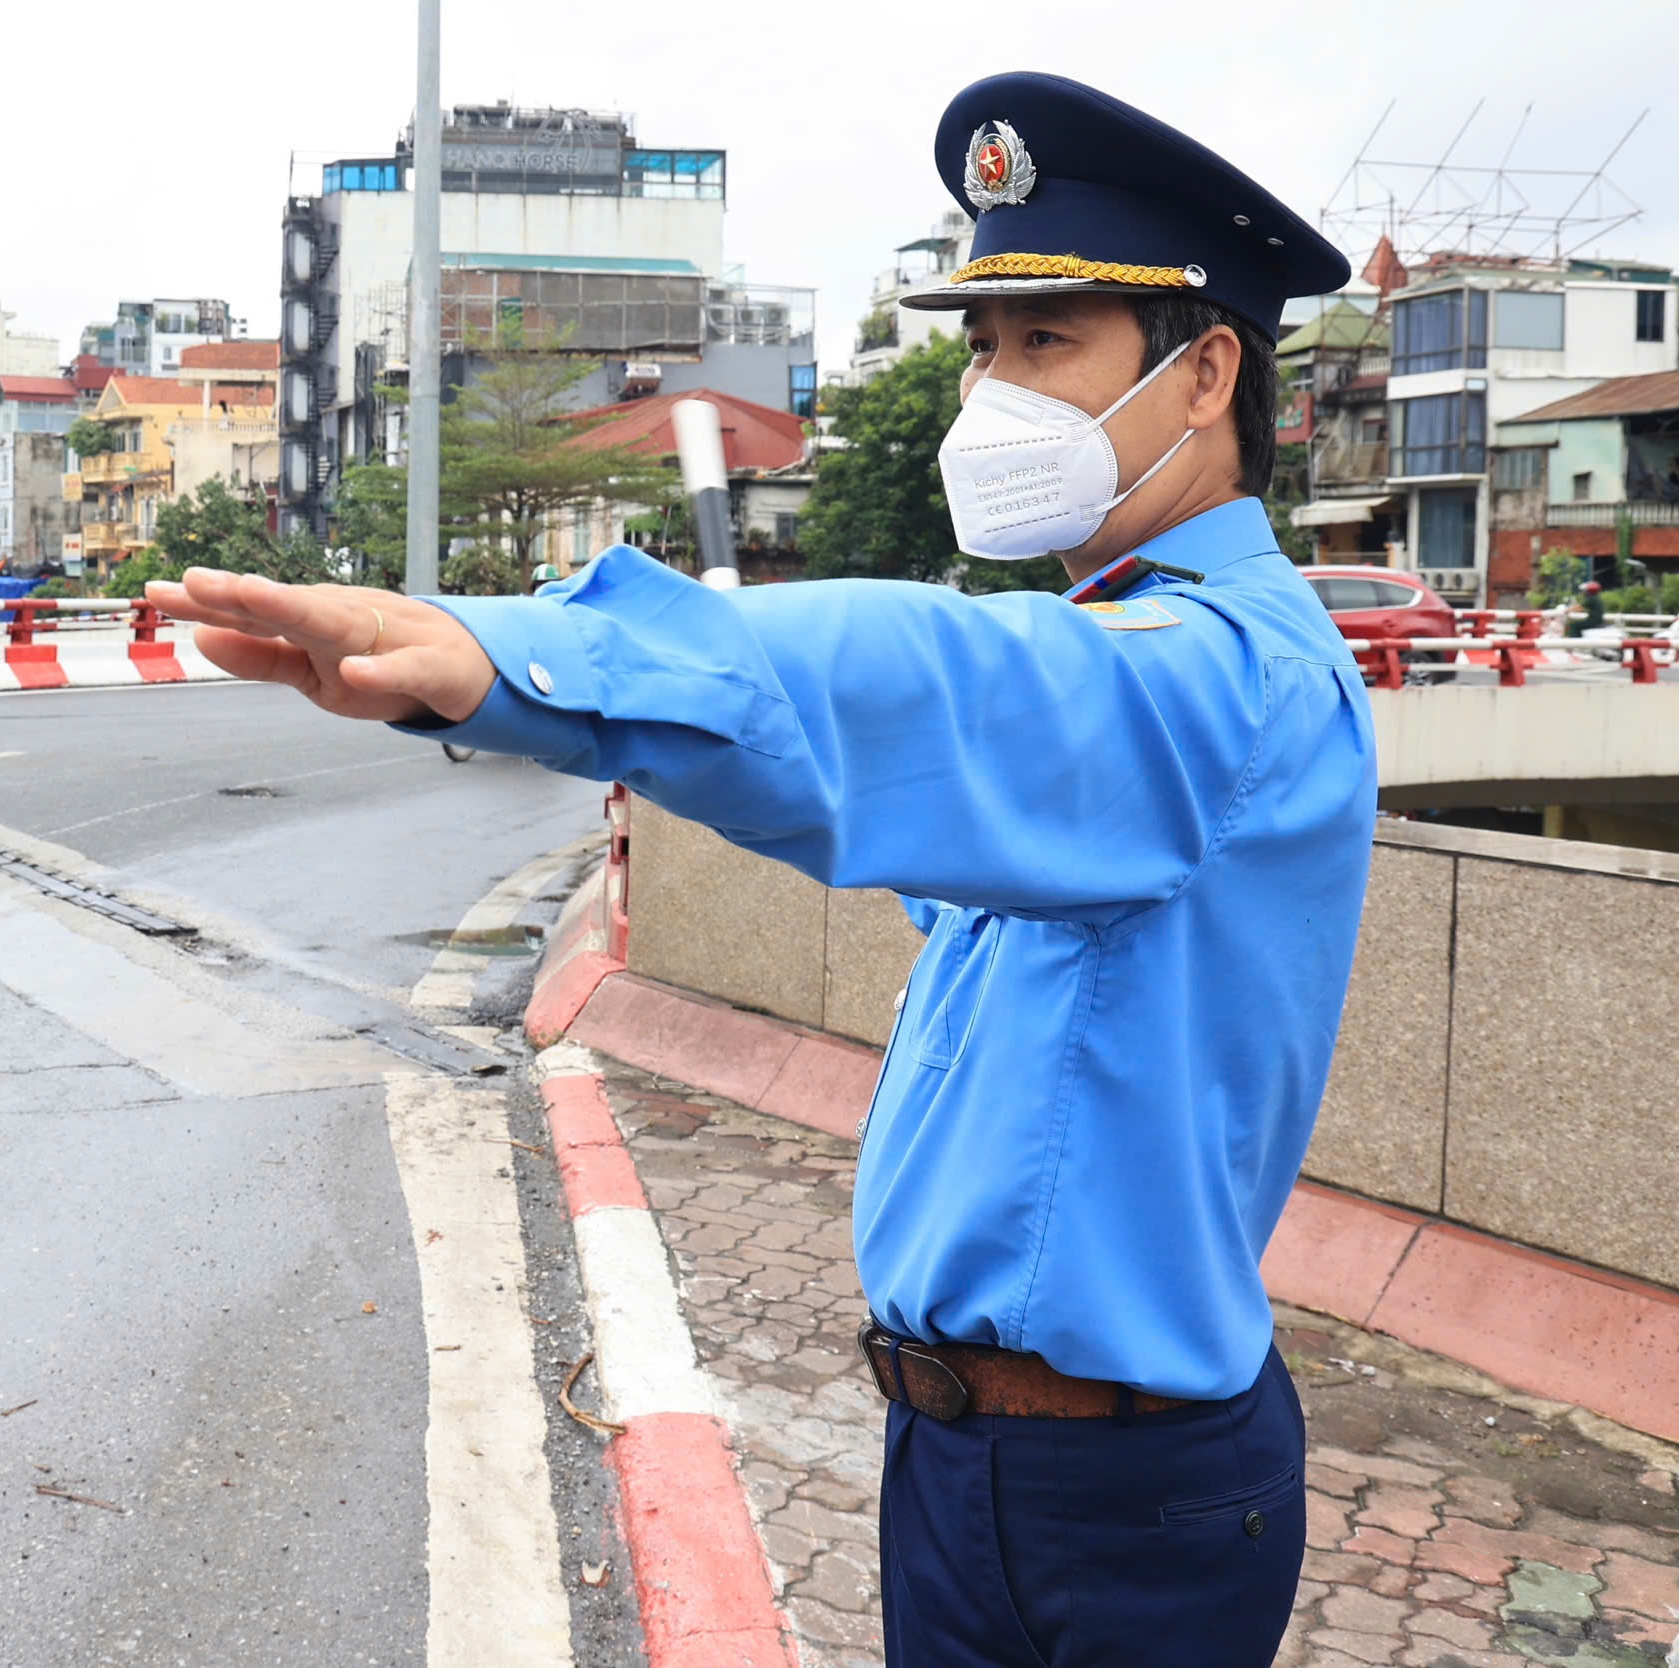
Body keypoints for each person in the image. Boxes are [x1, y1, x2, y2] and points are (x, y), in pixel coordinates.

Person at [150, 71, 1375, 1668]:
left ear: (1206, 370)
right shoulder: (1125, 658)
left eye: (1049, 344)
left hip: (1121, 1491)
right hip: (967, 1456)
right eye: (987, 349)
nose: (994, 393)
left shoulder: (1222, 674)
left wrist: (519, 655)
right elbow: (906, 789)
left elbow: (928, 682)